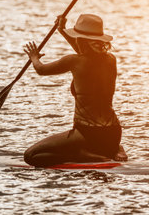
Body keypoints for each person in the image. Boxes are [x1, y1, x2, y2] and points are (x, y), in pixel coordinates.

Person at [23, 13, 127, 167]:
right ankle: (115, 149)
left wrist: (34, 57)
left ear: (80, 40)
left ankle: (80, 155)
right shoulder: (110, 60)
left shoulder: (73, 61)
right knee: (104, 140)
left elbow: (41, 70)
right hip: (113, 133)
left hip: (87, 135)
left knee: (30, 156)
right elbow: (86, 54)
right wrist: (61, 29)